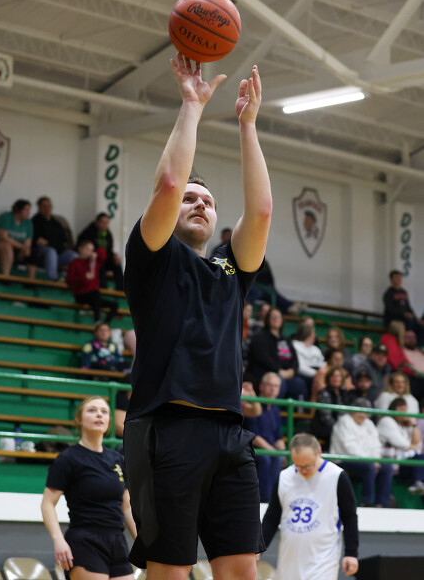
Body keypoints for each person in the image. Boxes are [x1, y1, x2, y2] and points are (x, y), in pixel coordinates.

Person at [123, 54, 272, 579]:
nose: (199, 204)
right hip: (167, 427)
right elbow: (168, 183)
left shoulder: (231, 268)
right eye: (191, 198)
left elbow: (261, 212)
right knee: (171, 571)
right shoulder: (153, 256)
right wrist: (192, 104)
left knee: (243, 569)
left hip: (230, 432)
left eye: (207, 200)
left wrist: (248, 125)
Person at [41, 396, 136, 579]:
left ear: (109, 421)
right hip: (85, 542)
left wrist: (141, 542)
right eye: (92, 410)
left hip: (117, 541)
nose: (99, 415)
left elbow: (126, 507)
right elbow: (47, 504)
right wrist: (58, 540)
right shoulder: (68, 459)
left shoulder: (117, 459)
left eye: (104, 411)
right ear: (79, 419)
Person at [262, 433, 359, 580]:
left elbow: (350, 516)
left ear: (319, 452)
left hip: (323, 562)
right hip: (289, 562)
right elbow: (271, 518)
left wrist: (351, 553)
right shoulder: (284, 477)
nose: (303, 470)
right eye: (298, 466)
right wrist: (258, 549)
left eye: (308, 465)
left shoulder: (336, 476)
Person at [330, 398, 393, 507]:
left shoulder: (369, 423)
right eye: (360, 412)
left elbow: (376, 445)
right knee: (369, 467)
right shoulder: (344, 421)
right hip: (344, 459)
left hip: (368, 460)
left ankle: (382, 503)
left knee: (387, 467)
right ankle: (366, 502)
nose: (363, 415)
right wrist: (370, 461)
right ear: (353, 411)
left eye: (366, 412)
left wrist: (376, 459)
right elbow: (349, 446)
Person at [244, 307, 305, 399]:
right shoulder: (259, 336)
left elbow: (295, 360)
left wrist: (292, 371)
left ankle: (299, 408)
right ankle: (272, 407)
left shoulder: (286, 339)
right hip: (265, 373)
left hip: (286, 373)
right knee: (277, 383)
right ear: (268, 319)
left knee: (299, 383)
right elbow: (263, 358)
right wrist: (279, 371)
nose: (276, 318)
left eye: (278, 316)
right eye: (273, 316)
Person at [244, 373, 285, 502]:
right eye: (270, 385)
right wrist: (274, 452)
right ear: (261, 386)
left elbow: (278, 437)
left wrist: (284, 453)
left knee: (280, 458)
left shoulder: (275, 409)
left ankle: (274, 498)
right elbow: (254, 437)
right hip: (252, 448)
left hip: (269, 449)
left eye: (276, 386)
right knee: (266, 458)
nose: (273, 389)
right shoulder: (251, 405)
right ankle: (263, 499)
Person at [377, 397, 424, 495]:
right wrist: (414, 447)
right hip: (390, 464)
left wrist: (414, 425)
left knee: (420, 458)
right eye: (400, 409)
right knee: (419, 458)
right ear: (393, 409)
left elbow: (418, 443)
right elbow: (401, 443)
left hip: (402, 463)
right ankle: (418, 483)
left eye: (404, 410)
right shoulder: (386, 420)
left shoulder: (403, 425)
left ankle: (419, 484)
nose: (403, 413)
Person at [66, 240, 118, 323]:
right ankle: (97, 321)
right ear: (80, 248)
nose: (89, 252)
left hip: (94, 297)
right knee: (95, 294)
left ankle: (104, 325)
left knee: (114, 304)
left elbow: (103, 255)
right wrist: (84, 277)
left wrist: (95, 253)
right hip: (81, 294)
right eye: (86, 249)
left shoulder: (94, 262)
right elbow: (69, 281)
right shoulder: (74, 263)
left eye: (91, 250)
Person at [28, 196, 77, 281]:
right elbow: (38, 240)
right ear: (39, 207)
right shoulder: (35, 221)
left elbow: (64, 240)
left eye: (49, 206)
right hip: (43, 252)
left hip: (59, 251)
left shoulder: (57, 222)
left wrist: (55, 244)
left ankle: (73, 280)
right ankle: (52, 279)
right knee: (51, 251)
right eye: (44, 206)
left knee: (74, 256)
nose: (47, 208)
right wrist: (51, 243)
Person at [77, 213, 124, 291]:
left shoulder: (108, 234)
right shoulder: (88, 232)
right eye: (103, 222)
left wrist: (114, 256)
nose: (105, 225)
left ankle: (121, 290)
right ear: (97, 222)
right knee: (100, 264)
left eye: (107, 223)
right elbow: (83, 248)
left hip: (105, 258)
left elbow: (109, 250)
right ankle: (103, 289)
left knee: (117, 264)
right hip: (93, 258)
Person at [310, 366, 352, 447]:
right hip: (324, 427)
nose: (336, 378)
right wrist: (339, 428)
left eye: (338, 376)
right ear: (329, 378)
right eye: (333, 376)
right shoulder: (324, 393)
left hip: (339, 426)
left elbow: (344, 413)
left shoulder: (344, 394)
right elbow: (326, 417)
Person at [383, 269, 424, 344]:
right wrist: (403, 314)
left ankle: (416, 345)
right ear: (391, 280)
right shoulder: (388, 294)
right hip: (394, 320)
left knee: (421, 327)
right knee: (408, 321)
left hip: (407, 319)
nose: (398, 279)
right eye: (396, 277)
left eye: (399, 277)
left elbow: (409, 308)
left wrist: (416, 319)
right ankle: (407, 344)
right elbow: (391, 310)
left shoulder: (404, 292)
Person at [0, 199, 32, 276]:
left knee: (32, 251)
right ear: (18, 209)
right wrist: (21, 247)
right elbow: (3, 237)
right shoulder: (6, 217)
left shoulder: (28, 222)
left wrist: (24, 249)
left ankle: (31, 280)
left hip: (17, 250)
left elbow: (28, 240)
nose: (28, 212)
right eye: (26, 210)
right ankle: (6, 276)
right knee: (7, 247)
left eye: (29, 210)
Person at [292, 320, 325, 400]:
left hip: (317, 374)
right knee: (300, 382)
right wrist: (317, 374)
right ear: (308, 334)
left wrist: (323, 373)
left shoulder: (315, 349)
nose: (315, 335)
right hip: (301, 374)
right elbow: (299, 367)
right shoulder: (294, 344)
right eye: (313, 333)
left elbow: (323, 364)